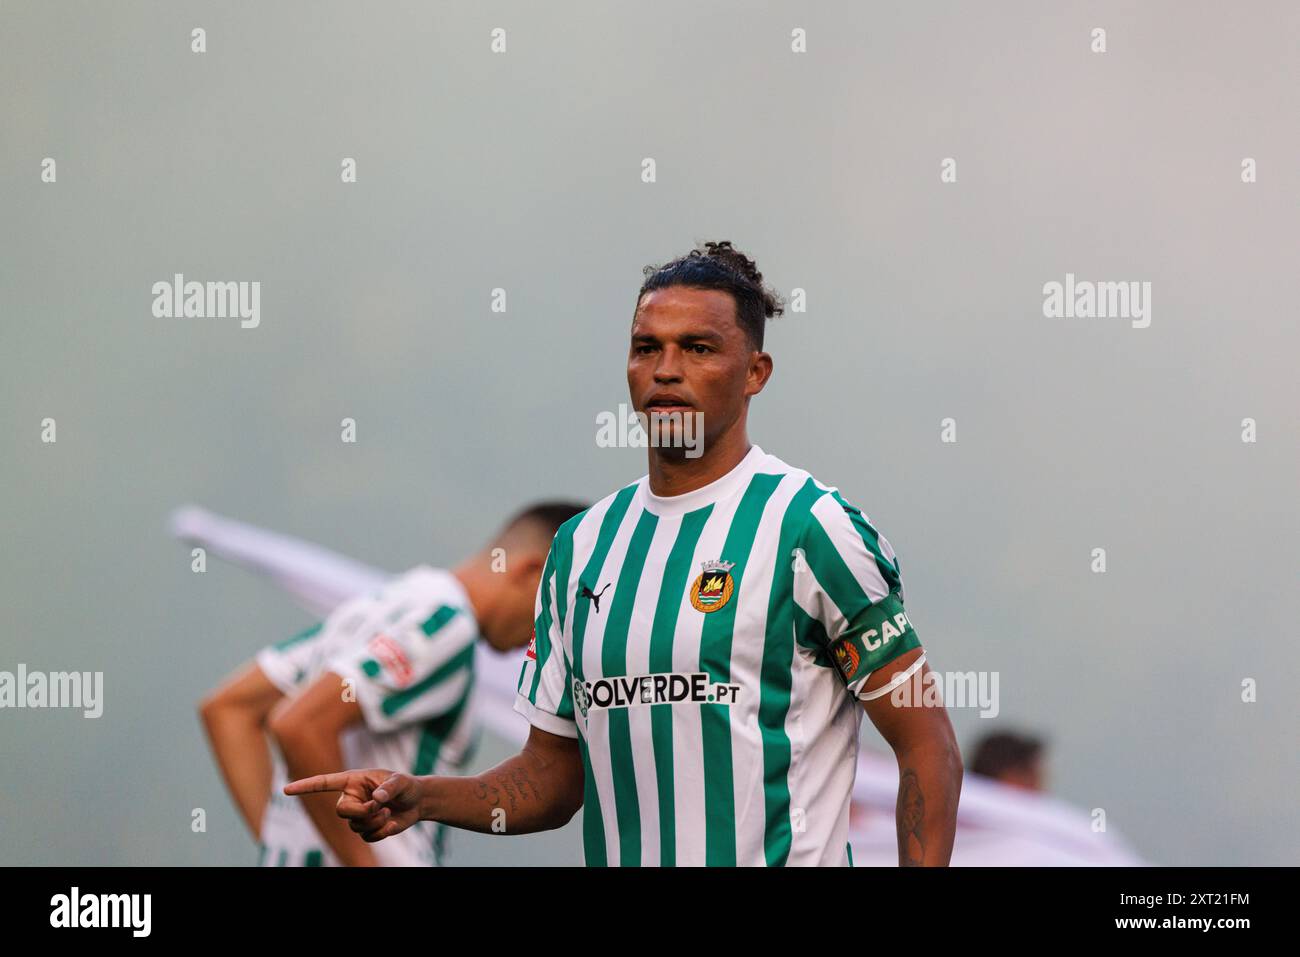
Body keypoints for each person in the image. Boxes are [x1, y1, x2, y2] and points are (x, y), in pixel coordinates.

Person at [288, 240, 963, 866]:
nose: (667, 369)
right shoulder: (581, 547)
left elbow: (927, 745)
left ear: (755, 371)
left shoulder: (811, 526)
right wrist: (424, 797)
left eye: (699, 348)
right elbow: (551, 778)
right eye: (647, 347)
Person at [199, 501, 585, 865]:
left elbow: (229, 709)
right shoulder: (445, 625)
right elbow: (299, 724)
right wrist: (361, 862)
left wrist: (284, 851)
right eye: (558, 606)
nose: (556, 629)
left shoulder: (388, 602)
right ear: (532, 571)